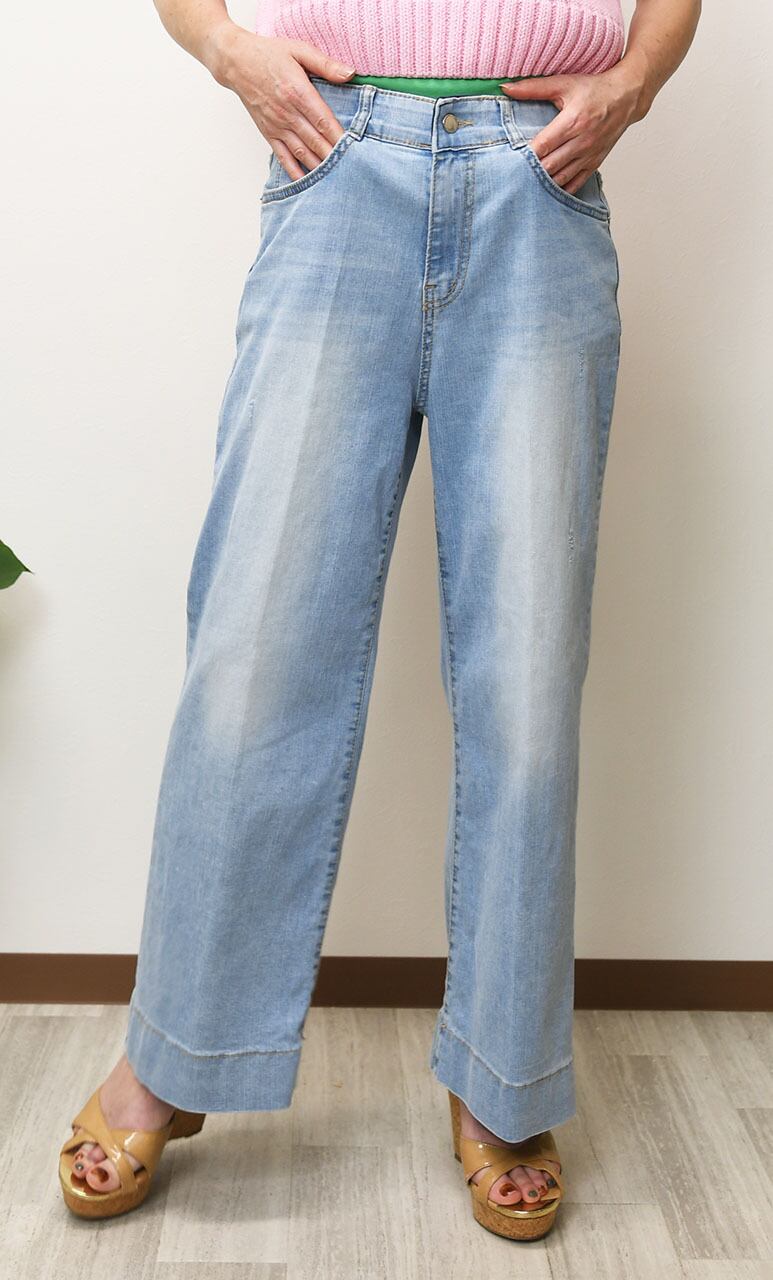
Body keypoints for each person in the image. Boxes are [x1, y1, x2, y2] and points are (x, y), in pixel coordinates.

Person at [58, 0, 701, 1240]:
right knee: (254, 647)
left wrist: (634, 82)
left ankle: (503, 1078)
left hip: (537, 178)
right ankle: (174, 1053)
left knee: (524, 668)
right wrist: (228, 51)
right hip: (337, 159)